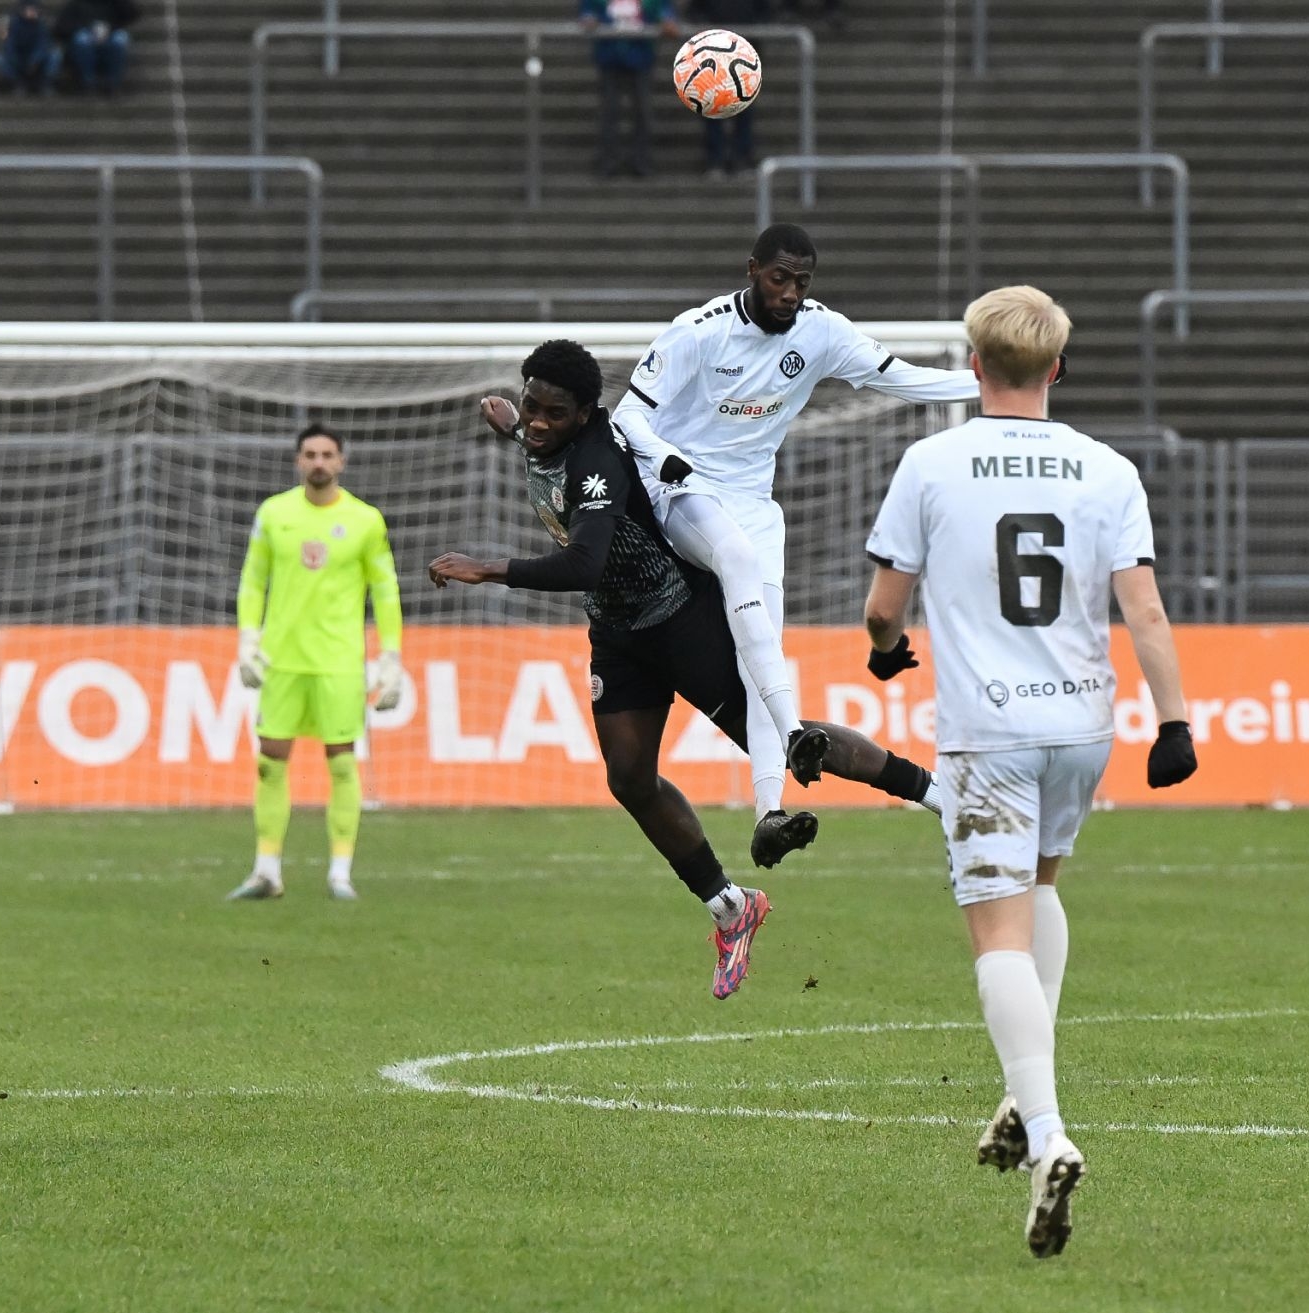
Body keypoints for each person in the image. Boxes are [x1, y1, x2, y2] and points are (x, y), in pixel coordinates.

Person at [429, 341, 947, 999]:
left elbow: (585, 563)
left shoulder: (597, 463)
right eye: (530, 405)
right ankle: (731, 907)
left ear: (586, 414)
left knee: (784, 742)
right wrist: (513, 428)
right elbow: (537, 442)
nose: (536, 420)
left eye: (552, 413)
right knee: (628, 777)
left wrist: (486, 568)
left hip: (681, 622)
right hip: (618, 632)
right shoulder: (547, 433)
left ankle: (939, 795)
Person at [861, 286, 1197, 1258]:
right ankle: (1023, 1090)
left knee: (995, 929)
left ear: (973, 364)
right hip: (1081, 725)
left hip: (990, 731)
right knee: (1042, 886)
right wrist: (1175, 722)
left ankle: (1047, 1134)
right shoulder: (1107, 467)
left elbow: (884, 605)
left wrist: (884, 649)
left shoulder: (931, 462)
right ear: (1058, 367)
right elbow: (1145, 610)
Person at [611, 222, 973, 838]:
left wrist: (1005, 384)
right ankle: (793, 731)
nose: (790, 294)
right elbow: (627, 416)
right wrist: (666, 458)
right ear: (753, 269)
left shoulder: (821, 331)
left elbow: (907, 378)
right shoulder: (699, 331)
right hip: (682, 491)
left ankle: (769, 813)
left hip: (753, 503)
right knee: (736, 559)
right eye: (780, 278)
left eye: (801, 283)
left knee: (763, 655)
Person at [230, 422, 404, 903]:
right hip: (282, 660)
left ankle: (340, 874)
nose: (319, 462)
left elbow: (385, 589)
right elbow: (253, 579)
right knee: (270, 763)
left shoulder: (365, 520)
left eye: (327, 454)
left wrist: (391, 654)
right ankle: (266, 871)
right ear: (298, 461)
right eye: (310, 454)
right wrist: (247, 637)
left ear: (341, 461)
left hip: (339, 662)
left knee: (343, 764)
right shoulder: (274, 513)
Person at [580, 0, 679, 177]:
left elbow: (663, 8)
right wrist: (588, 18)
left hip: (641, 54)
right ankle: (608, 160)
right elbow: (588, 8)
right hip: (610, 53)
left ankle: (641, 161)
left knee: (642, 111)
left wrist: (667, 18)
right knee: (609, 111)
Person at [687, 0, 769, 177]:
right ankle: (715, 159)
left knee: (744, 107)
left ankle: (742, 157)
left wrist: (752, 30)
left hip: (745, 55)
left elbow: (765, 12)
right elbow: (694, 12)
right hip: (713, 56)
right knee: (712, 106)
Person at [55, 0, 139, 96]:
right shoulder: (77, 4)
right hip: (86, 37)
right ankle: (87, 82)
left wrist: (108, 29)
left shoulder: (114, 3)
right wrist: (89, 29)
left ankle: (112, 82)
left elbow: (132, 14)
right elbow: (62, 27)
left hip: (110, 33)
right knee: (81, 38)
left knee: (120, 38)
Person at [0, 2, 62, 96]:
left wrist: (34, 61)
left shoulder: (41, 26)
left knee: (55, 55)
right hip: (19, 59)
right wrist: (17, 61)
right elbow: (9, 45)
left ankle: (44, 84)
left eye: (34, 9)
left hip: (38, 62)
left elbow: (43, 45)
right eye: (30, 9)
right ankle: (18, 84)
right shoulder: (13, 25)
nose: (32, 12)